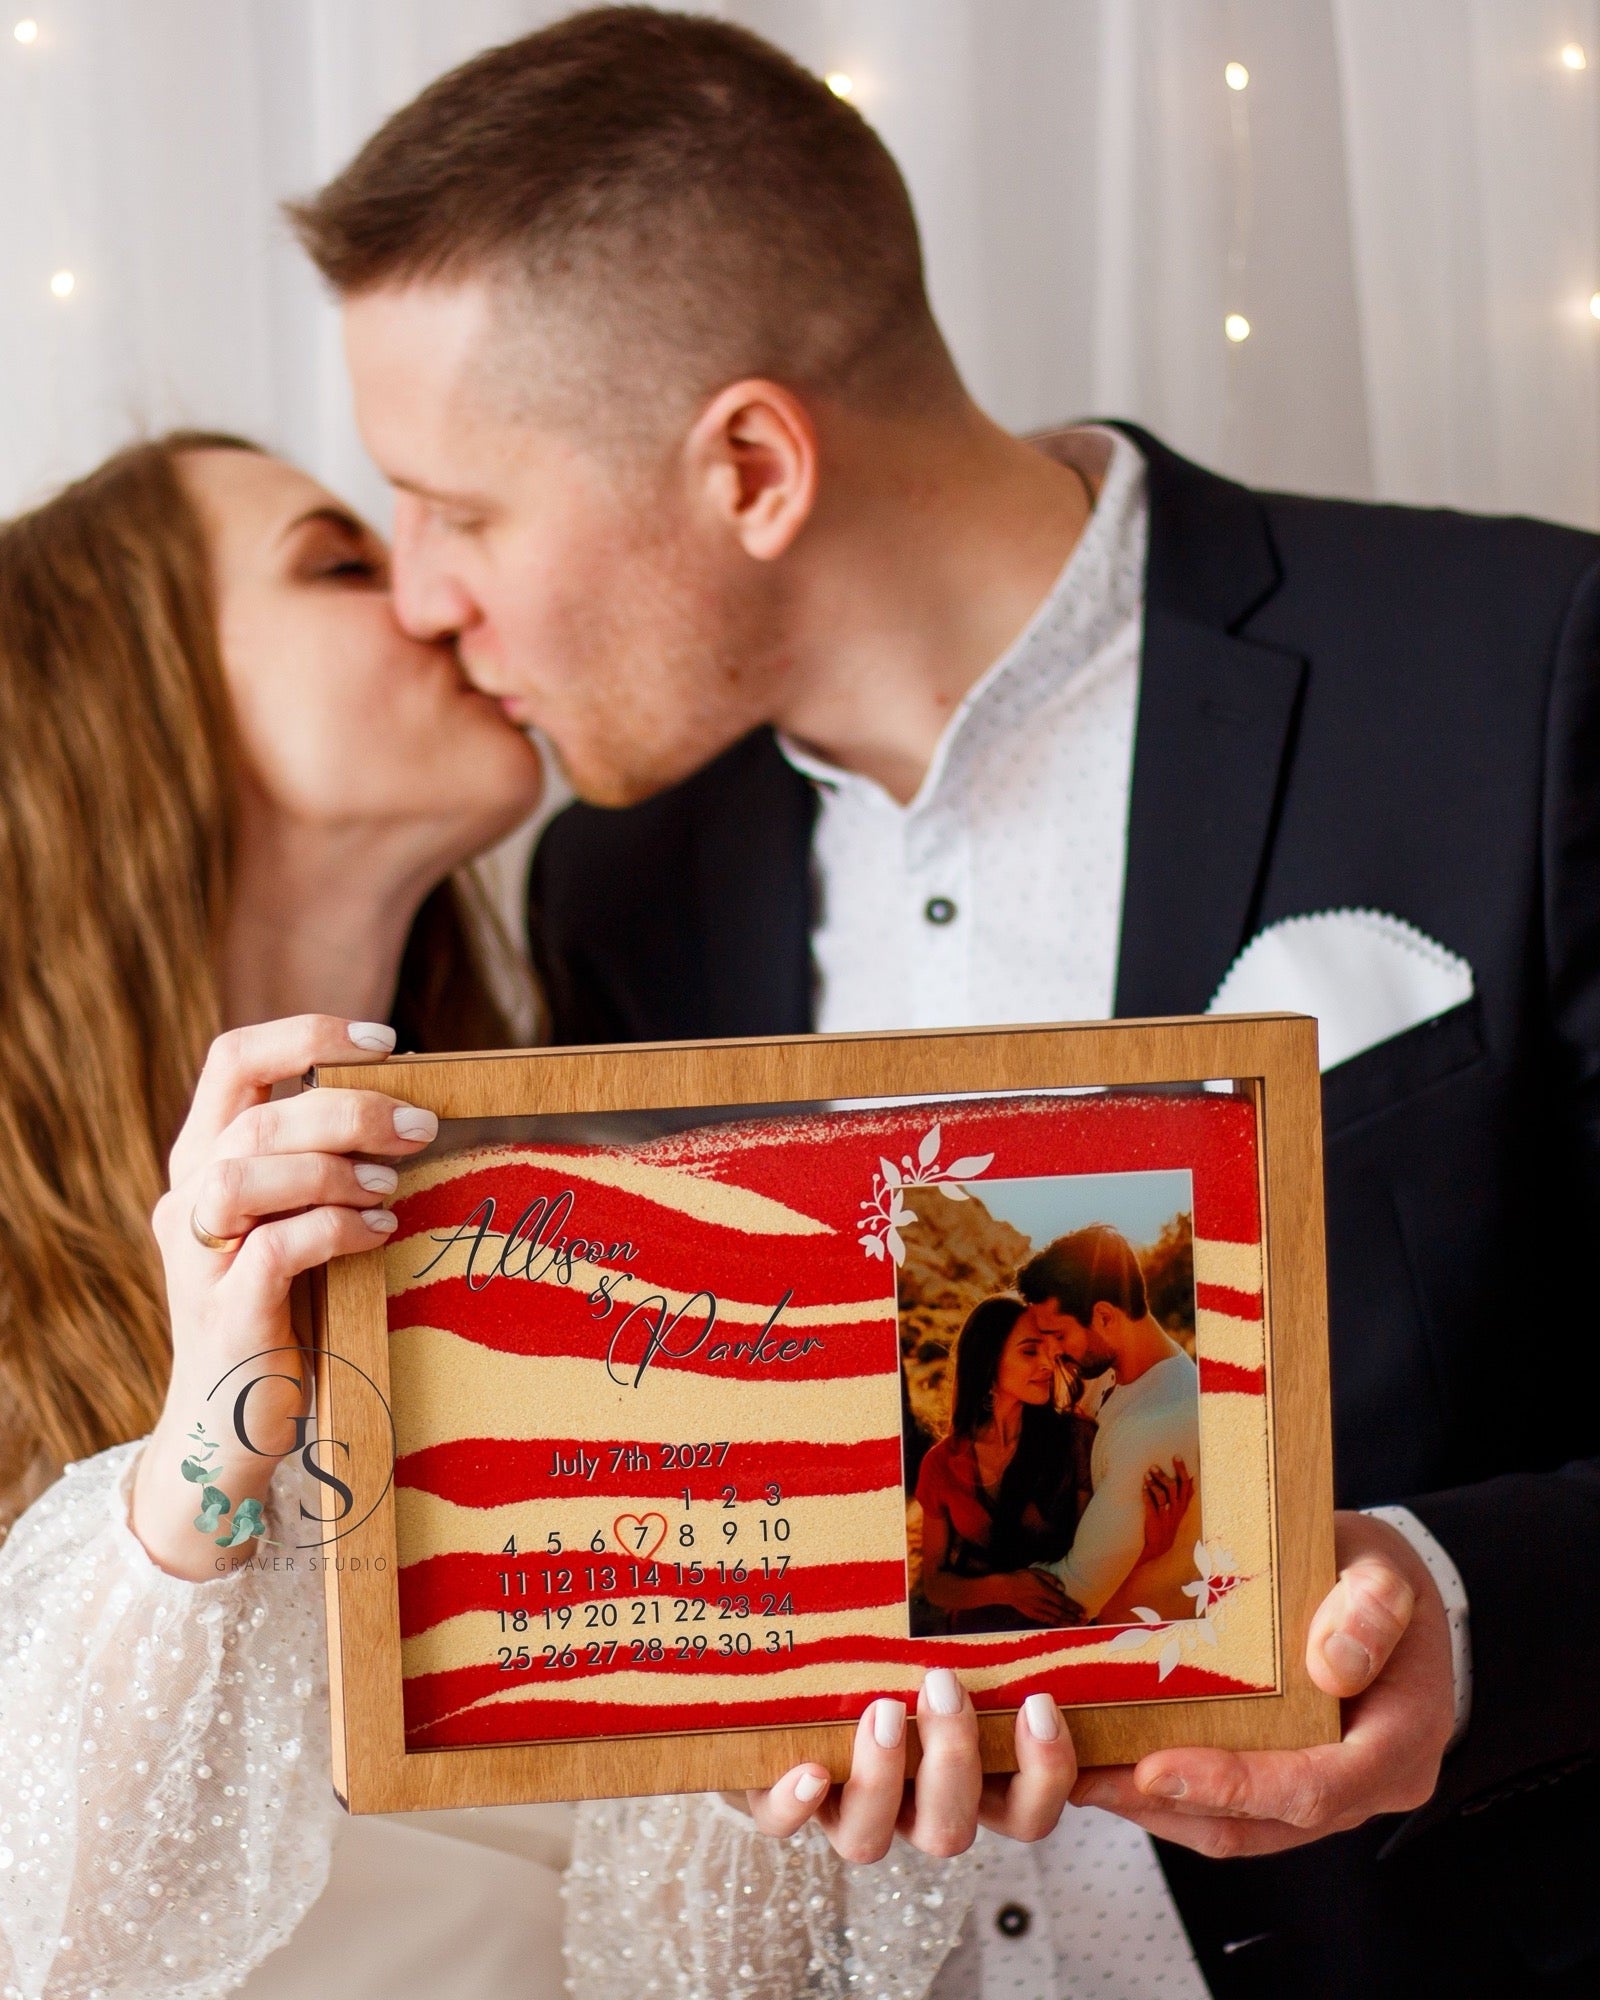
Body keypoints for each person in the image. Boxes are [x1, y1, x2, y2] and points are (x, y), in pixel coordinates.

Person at [288, 8, 1600, 1995]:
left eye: (457, 509)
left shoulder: (1522, 668)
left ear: (748, 465)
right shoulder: (618, 886)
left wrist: (1455, 1607)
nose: (420, 594)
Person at [0, 435, 963, 2000]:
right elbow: (55, 1942)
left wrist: (761, 1780)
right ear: (124, 706)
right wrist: (206, 1450)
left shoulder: (603, 1216)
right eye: (341, 562)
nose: (445, 600)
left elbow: (705, 1969)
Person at [915, 1294, 1189, 1633]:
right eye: (1030, 1351)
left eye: (1049, 1349)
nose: (1047, 1363)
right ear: (987, 1362)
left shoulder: (1075, 1439)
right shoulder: (940, 1464)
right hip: (976, 1637)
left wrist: (1150, 1548)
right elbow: (935, 1584)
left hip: (1063, 1637)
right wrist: (1007, 1588)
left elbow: (1088, 1568)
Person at [1018, 1230, 1202, 1626]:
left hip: (1136, 1646)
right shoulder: (1107, 1374)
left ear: (1104, 1316)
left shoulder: (1160, 1425)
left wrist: (980, 1585)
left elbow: (1069, 1599)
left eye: (1060, 1335)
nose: (1052, 1351)